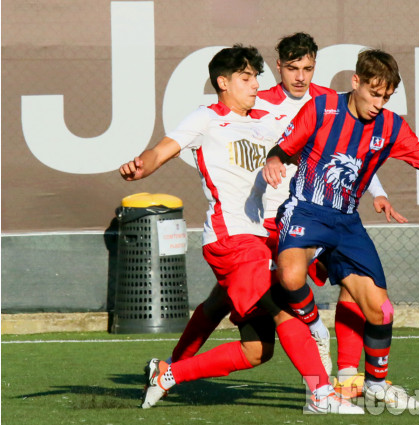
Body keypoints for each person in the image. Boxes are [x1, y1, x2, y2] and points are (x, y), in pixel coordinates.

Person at [263, 48, 419, 409]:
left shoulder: (391, 126)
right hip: (307, 210)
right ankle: (314, 327)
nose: (378, 103)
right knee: (290, 276)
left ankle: (376, 385)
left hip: (347, 223)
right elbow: (284, 148)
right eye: (373, 93)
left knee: (381, 311)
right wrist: (274, 158)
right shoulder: (321, 109)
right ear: (356, 82)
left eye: (386, 97)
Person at [119, 44, 363, 414]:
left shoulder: (267, 119)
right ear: (223, 82)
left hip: (263, 236)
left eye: (255, 78)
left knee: (257, 350)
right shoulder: (207, 118)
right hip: (231, 238)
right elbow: (162, 150)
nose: (254, 85)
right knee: (286, 307)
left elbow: (309, 148)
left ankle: (168, 372)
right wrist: (143, 166)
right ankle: (320, 393)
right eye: (245, 78)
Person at [169, 33, 404, 398]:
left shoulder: (330, 100)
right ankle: (175, 367)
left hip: (315, 213)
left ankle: (345, 375)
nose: (300, 76)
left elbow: (353, 153)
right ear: (278, 66)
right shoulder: (256, 102)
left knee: (351, 281)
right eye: (292, 68)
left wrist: (380, 193)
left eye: (308, 68)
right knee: (229, 301)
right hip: (267, 220)